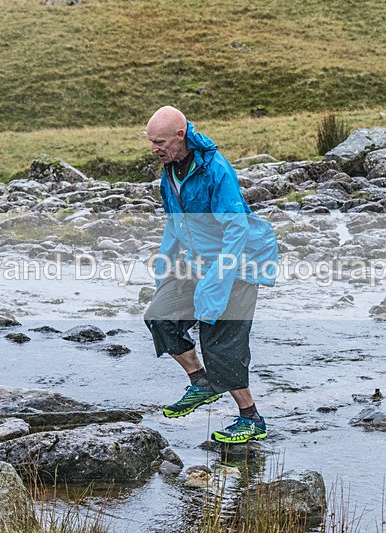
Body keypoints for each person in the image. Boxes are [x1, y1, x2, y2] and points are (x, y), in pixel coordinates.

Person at [143, 106, 279, 445]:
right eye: (150, 142)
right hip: (198, 261)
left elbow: (236, 229)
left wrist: (218, 281)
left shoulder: (216, 169)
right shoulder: (170, 172)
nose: (154, 149)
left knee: (220, 341)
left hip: (240, 262)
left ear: (181, 135)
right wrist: (165, 263)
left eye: (160, 142)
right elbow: (175, 222)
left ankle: (251, 419)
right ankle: (201, 383)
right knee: (160, 317)